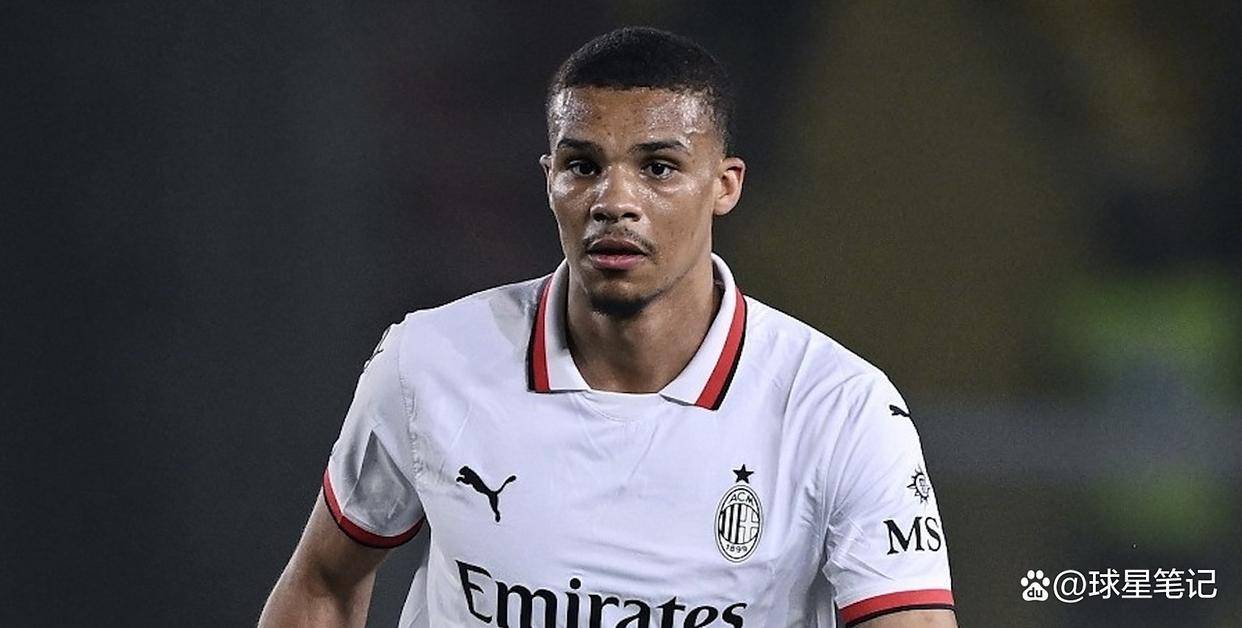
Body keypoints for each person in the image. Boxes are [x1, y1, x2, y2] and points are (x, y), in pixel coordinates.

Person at [259, 26, 956, 628]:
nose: (614, 200)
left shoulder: (841, 409)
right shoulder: (428, 361)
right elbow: (323, 583)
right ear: (549, 179)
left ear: (725, 184)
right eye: (583, 166)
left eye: (658, 167)